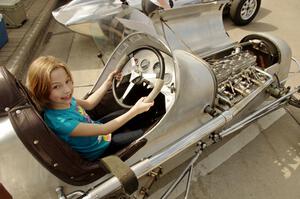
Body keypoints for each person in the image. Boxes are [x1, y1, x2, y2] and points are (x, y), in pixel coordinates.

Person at [26, 56, 154, 161]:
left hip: (99, 133)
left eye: (67, 81)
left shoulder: (64, 101)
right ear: (41, 91)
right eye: (56, 87)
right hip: (101, 149)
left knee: (128, 114)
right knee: (146, 133)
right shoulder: (61, 122)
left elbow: (89, 103)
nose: (67, 89)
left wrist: (107, 83)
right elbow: (105, 129)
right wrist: (135, 110)